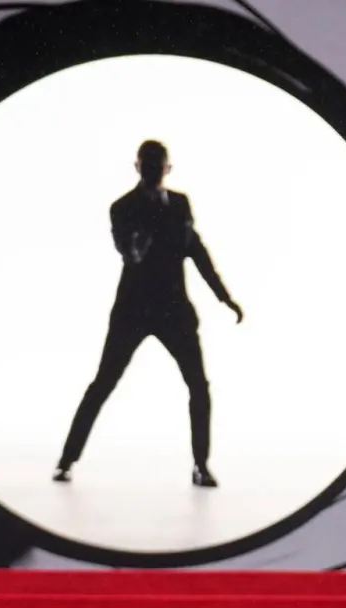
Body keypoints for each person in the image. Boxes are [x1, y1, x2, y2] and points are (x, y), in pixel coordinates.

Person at [54, 140, 244, 488]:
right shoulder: (122, 208)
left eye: (159, 166)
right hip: (133, 311)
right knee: (103, 384)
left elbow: (196, 250)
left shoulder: (180, 204)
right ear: (138, 167)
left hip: (174, 311)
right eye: (149, 165)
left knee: (198, 386)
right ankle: (66, 460)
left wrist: (223, 297)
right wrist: (136, 248)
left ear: (167, 169)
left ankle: (201, 465)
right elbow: (127, 251)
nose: (154, 171)